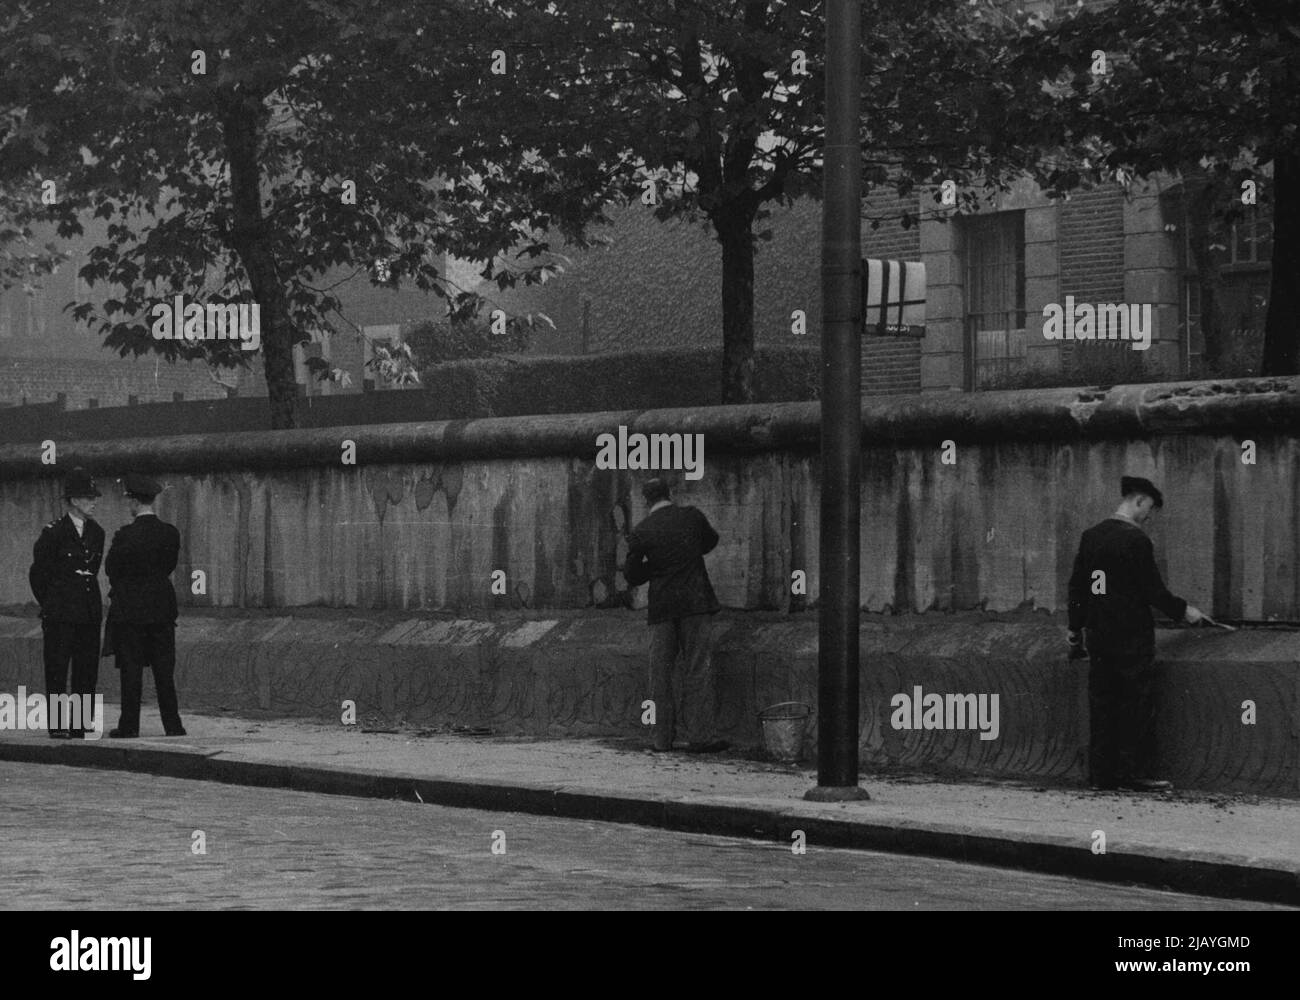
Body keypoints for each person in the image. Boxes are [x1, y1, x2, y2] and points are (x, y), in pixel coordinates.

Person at [1067, 476, 1204, 792]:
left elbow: (1077, 589)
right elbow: (1153, 591)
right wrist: (1186, 611)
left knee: (1102, 701)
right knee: (1135, 702)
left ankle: (1101, 776)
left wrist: (1075, 631)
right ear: (1139, 500)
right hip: (1131, 636)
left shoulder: (1092, 536)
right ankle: (1134, 773)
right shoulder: (1136, 540)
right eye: (1150, 509)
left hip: (1098, 634)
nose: (1149, 517)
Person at [623, 477, 726, 753]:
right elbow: (711, 541)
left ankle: (662, 740)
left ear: (646, 500)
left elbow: (632, 575)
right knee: (697, 670)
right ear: (670, 493)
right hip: (695, 603)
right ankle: (701, 737)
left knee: (661, 674)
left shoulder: (642, 531)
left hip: (662, 609)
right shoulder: (691, 516)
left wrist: (655, 568)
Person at [105, 473, 186, 738]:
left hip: (131, 610)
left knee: (131, 671)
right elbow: (168, 566)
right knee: (164, 672)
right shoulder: (169, 533)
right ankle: (172, 725)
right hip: (161, 608)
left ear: (134, 501)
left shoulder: (125, 535)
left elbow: (112, 569)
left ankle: (129, 726)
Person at [29, 468, 105, 738]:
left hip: (87, 613)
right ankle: (60, 724)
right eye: (88, 497)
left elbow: (91, 570)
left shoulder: (97, 532)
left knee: (86, 670)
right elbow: (38, 575)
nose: (94, 501)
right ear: (74, 500)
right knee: (58, 669)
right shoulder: (53, 533)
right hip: (61, 614)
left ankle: (81, 722)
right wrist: (51, 603)